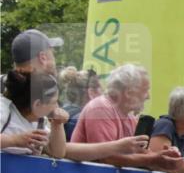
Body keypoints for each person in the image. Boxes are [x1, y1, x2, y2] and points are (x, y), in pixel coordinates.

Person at [1, 69, 148, 161]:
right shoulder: (4, 110)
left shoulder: (39, 121)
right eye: (54, 101)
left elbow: (58, 152)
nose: (57, 105)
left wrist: (57, 124)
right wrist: (14, 140)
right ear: (37, 105)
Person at [70, 64, 184, 171]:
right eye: (146, 90)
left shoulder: (129, 118)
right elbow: (107, 158)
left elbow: (142, 155)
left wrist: (166, 156)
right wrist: (155, 158)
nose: (148, 97)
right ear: (129, 92)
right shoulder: (100, 108)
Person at [59, 67, 102, 140]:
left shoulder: (62, 111)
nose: (103, 93)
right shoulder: (84, 119)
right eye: (101, 88)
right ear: (91, 92)